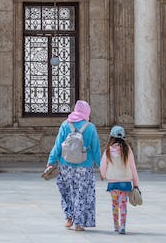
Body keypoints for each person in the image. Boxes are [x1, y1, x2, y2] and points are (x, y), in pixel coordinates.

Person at [44, 100, 101, 231]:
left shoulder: (65, 125)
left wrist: (51, 161)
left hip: (66, 165)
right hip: (84, 166)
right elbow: (96, 150)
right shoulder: (90, 127)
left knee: (67, 191)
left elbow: (58, 145)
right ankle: (79, 223)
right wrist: (102, 167)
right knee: (82, 193)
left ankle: (69, 217)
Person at [99, 125, 140, 235]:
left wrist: (103, 175)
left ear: (111, 137)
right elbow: (133, 167)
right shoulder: (127, 150)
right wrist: (136, 183)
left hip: (112, 183)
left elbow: (103, 165)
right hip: (125, 183)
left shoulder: (108, 150)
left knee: (114, 205)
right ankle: (123, 226)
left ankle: (116, 226)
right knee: (123, 204)